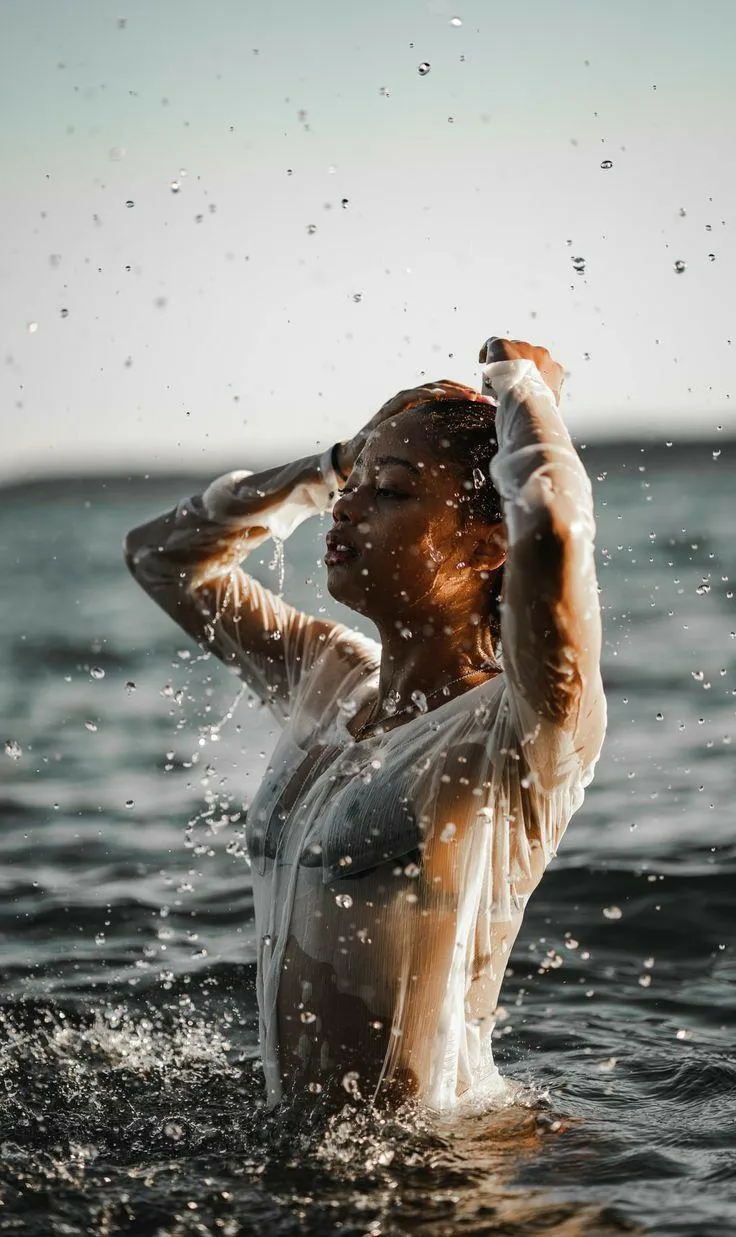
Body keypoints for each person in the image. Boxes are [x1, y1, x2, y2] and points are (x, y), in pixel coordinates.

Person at [124, 336, 606, 1112]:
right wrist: (326, 468)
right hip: (303, 1154)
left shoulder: (521, 727)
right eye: (353, 486)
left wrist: (524, 388)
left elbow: (550, 528)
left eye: (390, 489)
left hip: (448, 1173)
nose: (349, 506)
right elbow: (161, 557)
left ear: (487, 542)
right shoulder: (332, 680)